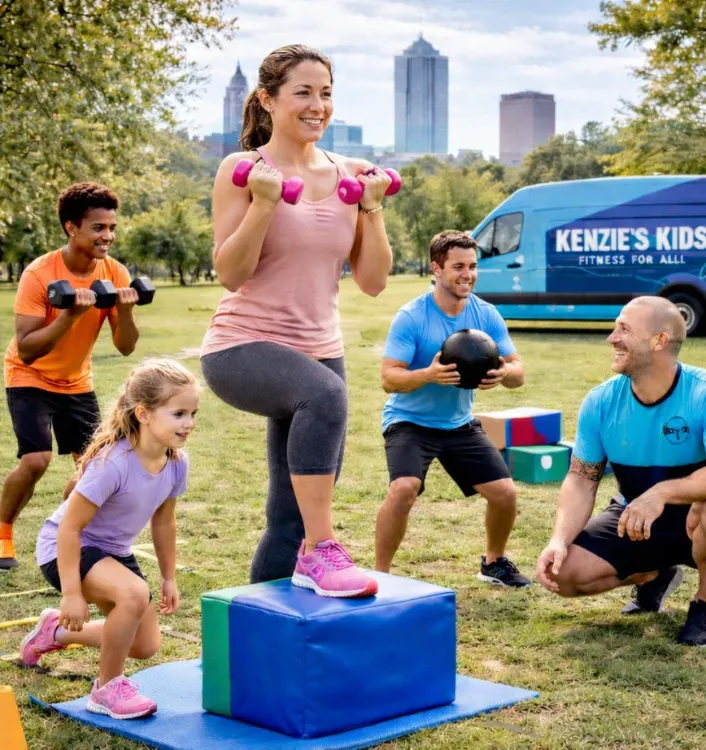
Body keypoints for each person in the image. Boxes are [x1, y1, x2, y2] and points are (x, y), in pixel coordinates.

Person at [200, 45, 393, 597]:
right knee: (326, 399)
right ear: (267, 99)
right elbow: (231, 274)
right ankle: (324, 551)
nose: (317, 105)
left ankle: (257, 636)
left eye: (326, 93)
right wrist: (263, 205)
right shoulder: (243, 172)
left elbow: (374, 281)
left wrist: (373, 207)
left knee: (289, 515)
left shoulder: (352, 175)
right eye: (303, 92)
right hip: (242, 347)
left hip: (319, 347)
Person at [536, 296, 706, 646]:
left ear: (659, 341)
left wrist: (661, 493)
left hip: (703, 516)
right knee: (564, 575)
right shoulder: (600, 401)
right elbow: (581, 478)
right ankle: (655, 574)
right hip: (637, 520)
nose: (611, 338)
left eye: (624, 329)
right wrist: (558, 539)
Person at [19, 359, 198, 719]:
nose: (189, 423)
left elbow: (164, 522)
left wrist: (168, 577)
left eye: (193, 413)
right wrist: (71, 593)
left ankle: (55, 633)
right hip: (64, 548)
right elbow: (70, 528)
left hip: (112, 553)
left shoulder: (177, 463)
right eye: (178, 413)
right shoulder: (113, 462)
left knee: (145, 644)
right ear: (144, 414)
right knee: (132, 594)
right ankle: (106, 689)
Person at [375, 229, 532, 587]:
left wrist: (504, 372)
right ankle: (380, 574)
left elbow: (518, 372)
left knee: (505, 493)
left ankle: (493, 562)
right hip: (410, 421)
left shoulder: (486, 314)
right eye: (458, 266)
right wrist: (429, 374)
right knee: (403, 489)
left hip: (459, 424)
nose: (468, 274)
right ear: (436, 268)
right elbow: (389, 378)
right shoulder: (412, 316)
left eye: (473, 266)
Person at [1, 183, 140, 571]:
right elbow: (27, 347)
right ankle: (3, 534)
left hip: (77, 382)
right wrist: (69, 316)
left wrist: (125, 312)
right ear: (71, 228)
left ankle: (62, 531)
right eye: (98, 228)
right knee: (36, 460)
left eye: (111, 227)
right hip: (29, 375)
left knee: (94, 467)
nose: (107, 236)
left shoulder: (115, 272)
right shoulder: (39, 274)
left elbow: (126, 347)